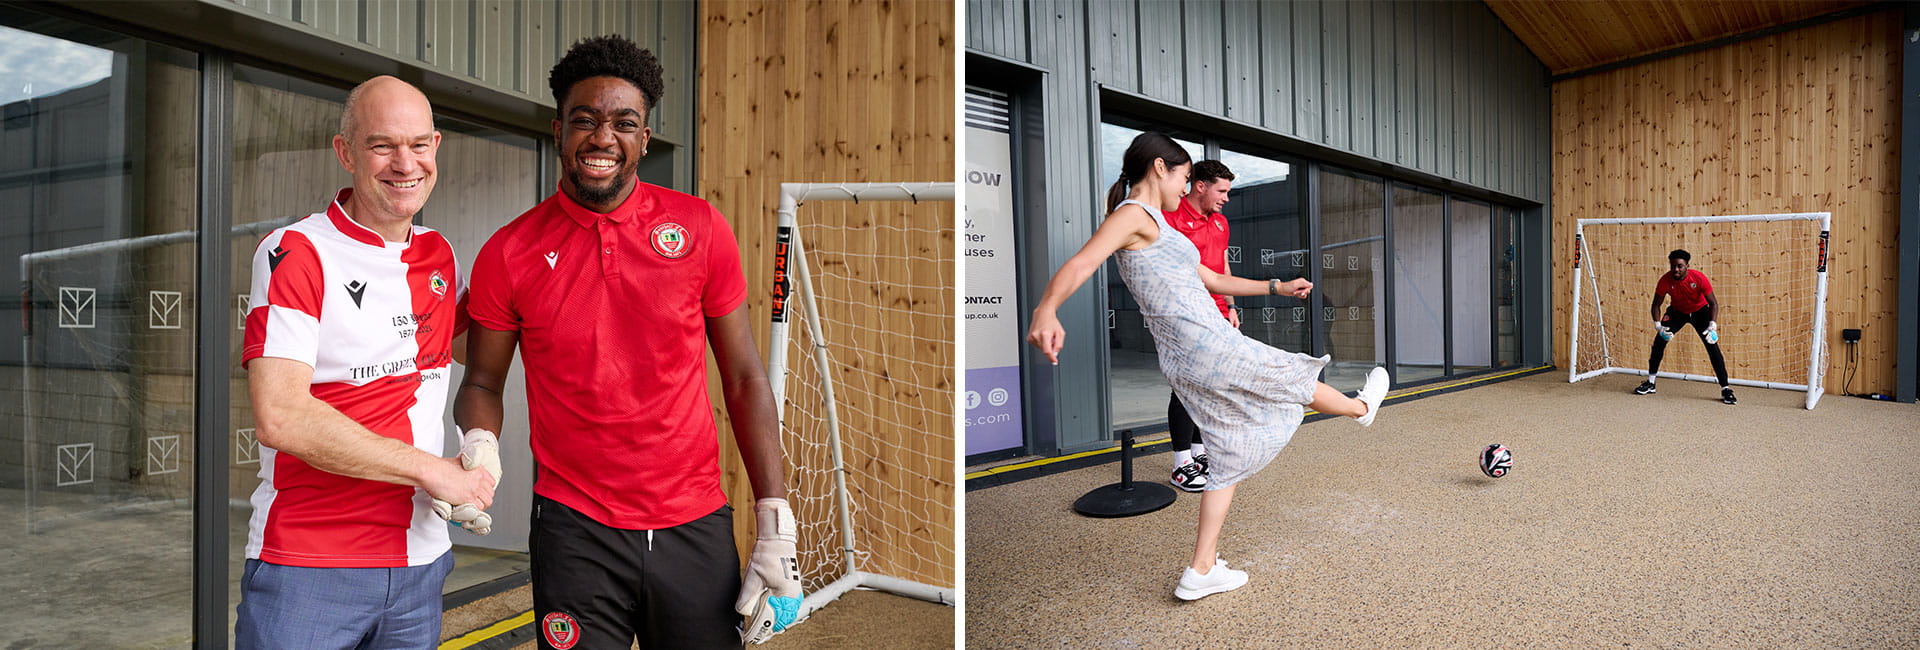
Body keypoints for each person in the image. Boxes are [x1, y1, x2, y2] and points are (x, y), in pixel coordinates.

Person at [454, 35, 797, 649]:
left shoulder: (699, 228)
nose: (602, 137)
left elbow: (745, 378)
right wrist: (479, 446)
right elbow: (482, 380)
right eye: (584, 120)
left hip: (693, 520)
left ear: (643, 138)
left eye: (623, 123)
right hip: (573, 527)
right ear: (559, 130)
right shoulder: (509, 252)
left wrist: (775, 518)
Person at [1026, 132, 1389, 601]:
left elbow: (1214, 278)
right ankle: (1360, 408)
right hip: (1203, 344)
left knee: (1229, 450)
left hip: (1188, 353)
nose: (1185, 186)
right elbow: (1082, 262)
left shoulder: (1158, 224)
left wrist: (1277, 287)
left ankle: (1201, 570)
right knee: (1286, 375)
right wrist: (1046, 310)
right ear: (1160, 168)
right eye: (1182, 176)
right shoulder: (1133, 215)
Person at [236, 76, 498, 648]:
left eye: (418, 144)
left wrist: (480, 444)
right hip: (309, 565)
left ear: (436, 147)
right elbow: (280, 415)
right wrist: (434, 470)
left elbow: (439, 350)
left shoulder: (439, 252)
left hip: (421, 562)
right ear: (345, 151)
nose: (405, 163)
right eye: (382, 145)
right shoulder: (295, 253)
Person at [1163, 160, 1237, 492]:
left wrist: (1232, 305)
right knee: (1187, 386)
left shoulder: (1221, 222)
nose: (1226, 198)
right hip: (1186, 314)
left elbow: (1222, 264)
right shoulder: (1169, 217)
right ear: (1200, 186)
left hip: (1219, 312)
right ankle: (1181, 465)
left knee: (1210, 386)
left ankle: (1198, 453)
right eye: (1222, 191)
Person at [1634, 249, 1735, 404]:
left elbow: (1713, 303)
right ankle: (1651, 382)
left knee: (1712, 347)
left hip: (1700, 312)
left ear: (1687, 265)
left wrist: (1712, 325)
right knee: (1659, 343)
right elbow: (1656, 305)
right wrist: (1658, 326)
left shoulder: (1699, 278)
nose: (1676, 269)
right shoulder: (1665, 280)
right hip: (1677, 312)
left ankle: (1725, 389)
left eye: (1680, 266)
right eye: (1673, 266)